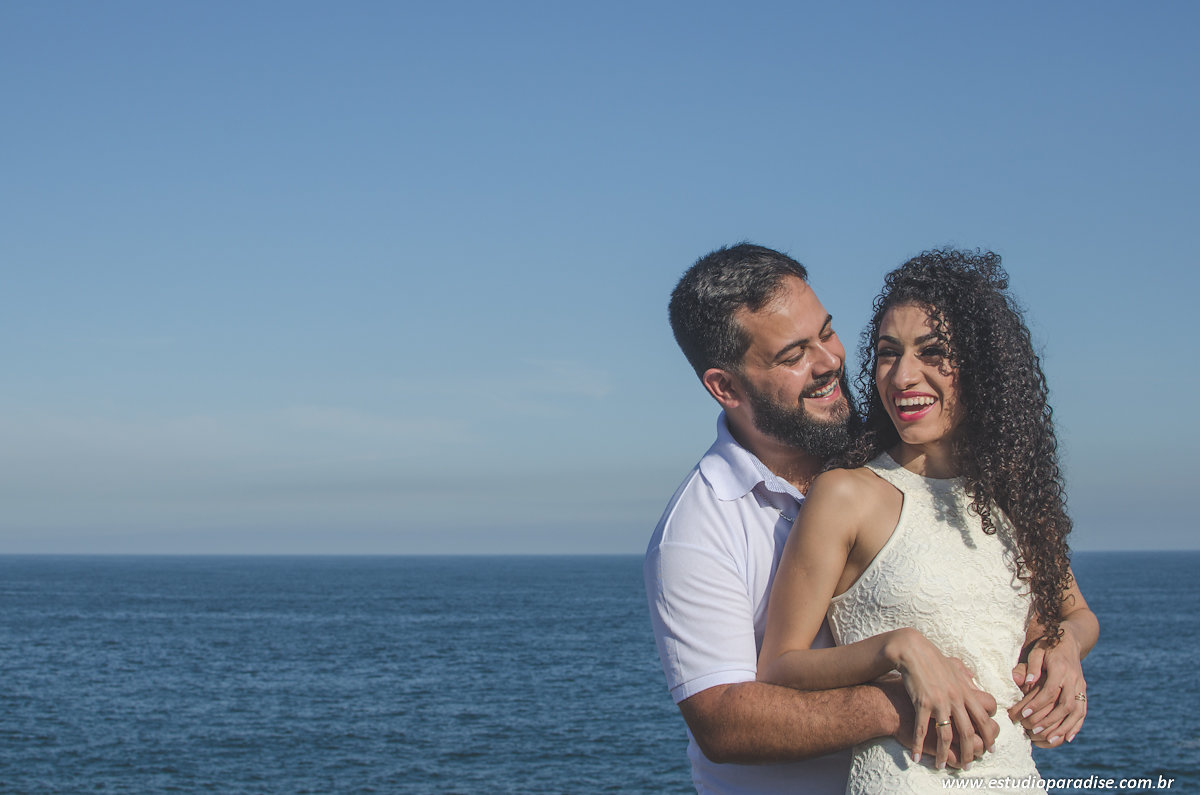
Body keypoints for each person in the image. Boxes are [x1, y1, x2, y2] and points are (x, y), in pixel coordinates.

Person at [645, 243, 1088, 794]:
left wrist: (1060, 650)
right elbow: (725, 722)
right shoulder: (696, 533)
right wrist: (893, 699)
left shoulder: (904, 456)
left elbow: (1047, 611)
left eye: (827, 333)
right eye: (793, 355)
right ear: (725, 387)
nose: (830, 361)